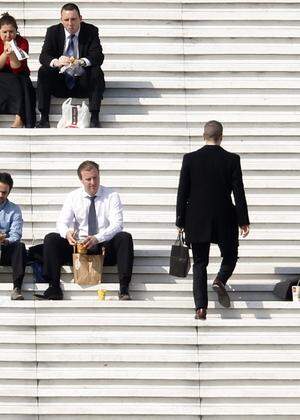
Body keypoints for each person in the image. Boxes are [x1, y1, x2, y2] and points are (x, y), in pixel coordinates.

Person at [176, 120, 250, 320]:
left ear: (203, 136)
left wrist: (180, 221)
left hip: (196, 218)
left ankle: (201, 308)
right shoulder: (232, 159)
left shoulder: (190, 159)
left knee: (200, 263)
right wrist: (243, 219)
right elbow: (239, 193)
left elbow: (182, 192)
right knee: (231, 255)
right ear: (221, 137)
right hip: (225, 216)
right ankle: (220, 280)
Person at [34, 161, 134, 300]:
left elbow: (117, 224)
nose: (93, 182)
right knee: (51, 238)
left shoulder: (112, 195)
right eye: (88, 179)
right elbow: (62, 222)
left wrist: (97, 238)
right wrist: (67, 234)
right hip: (79, 246)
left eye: (95, 177)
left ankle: (124, 288)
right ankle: (54, 288)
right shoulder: (73, 196)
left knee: (124, 237)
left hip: (103, 245)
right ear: (81, 180)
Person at [36, 2, 105, 128]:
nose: (70, 23)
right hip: (60, 82)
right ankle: (44, 118)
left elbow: (98, 56)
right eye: (66, 19)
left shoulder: (91, 31)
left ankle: (94, 117)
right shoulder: (52, 31)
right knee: (43, 71)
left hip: (82, 82)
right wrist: (57, 62)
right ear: (61, 20)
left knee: (96, 71)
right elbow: (44, 56)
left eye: (73, 19)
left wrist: (81, 61)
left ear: (81, 19)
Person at [0, 13, 36, 128]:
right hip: (2, 74)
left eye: (11, 31)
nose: (8, 35)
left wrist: (11, 54)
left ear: (16, 31)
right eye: (4, 32)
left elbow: (17, 68)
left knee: (19, 82)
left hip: (19, 73)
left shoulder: (22, 42)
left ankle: (19, 117)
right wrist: (5, 54)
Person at [0, 172, 26, 300]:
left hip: (4, 248)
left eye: (4, 193)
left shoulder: (14, 209)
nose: (1, 195)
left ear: (9, 191)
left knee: (20, 247)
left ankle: (17, 287)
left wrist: (6, 240)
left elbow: (16, 234)